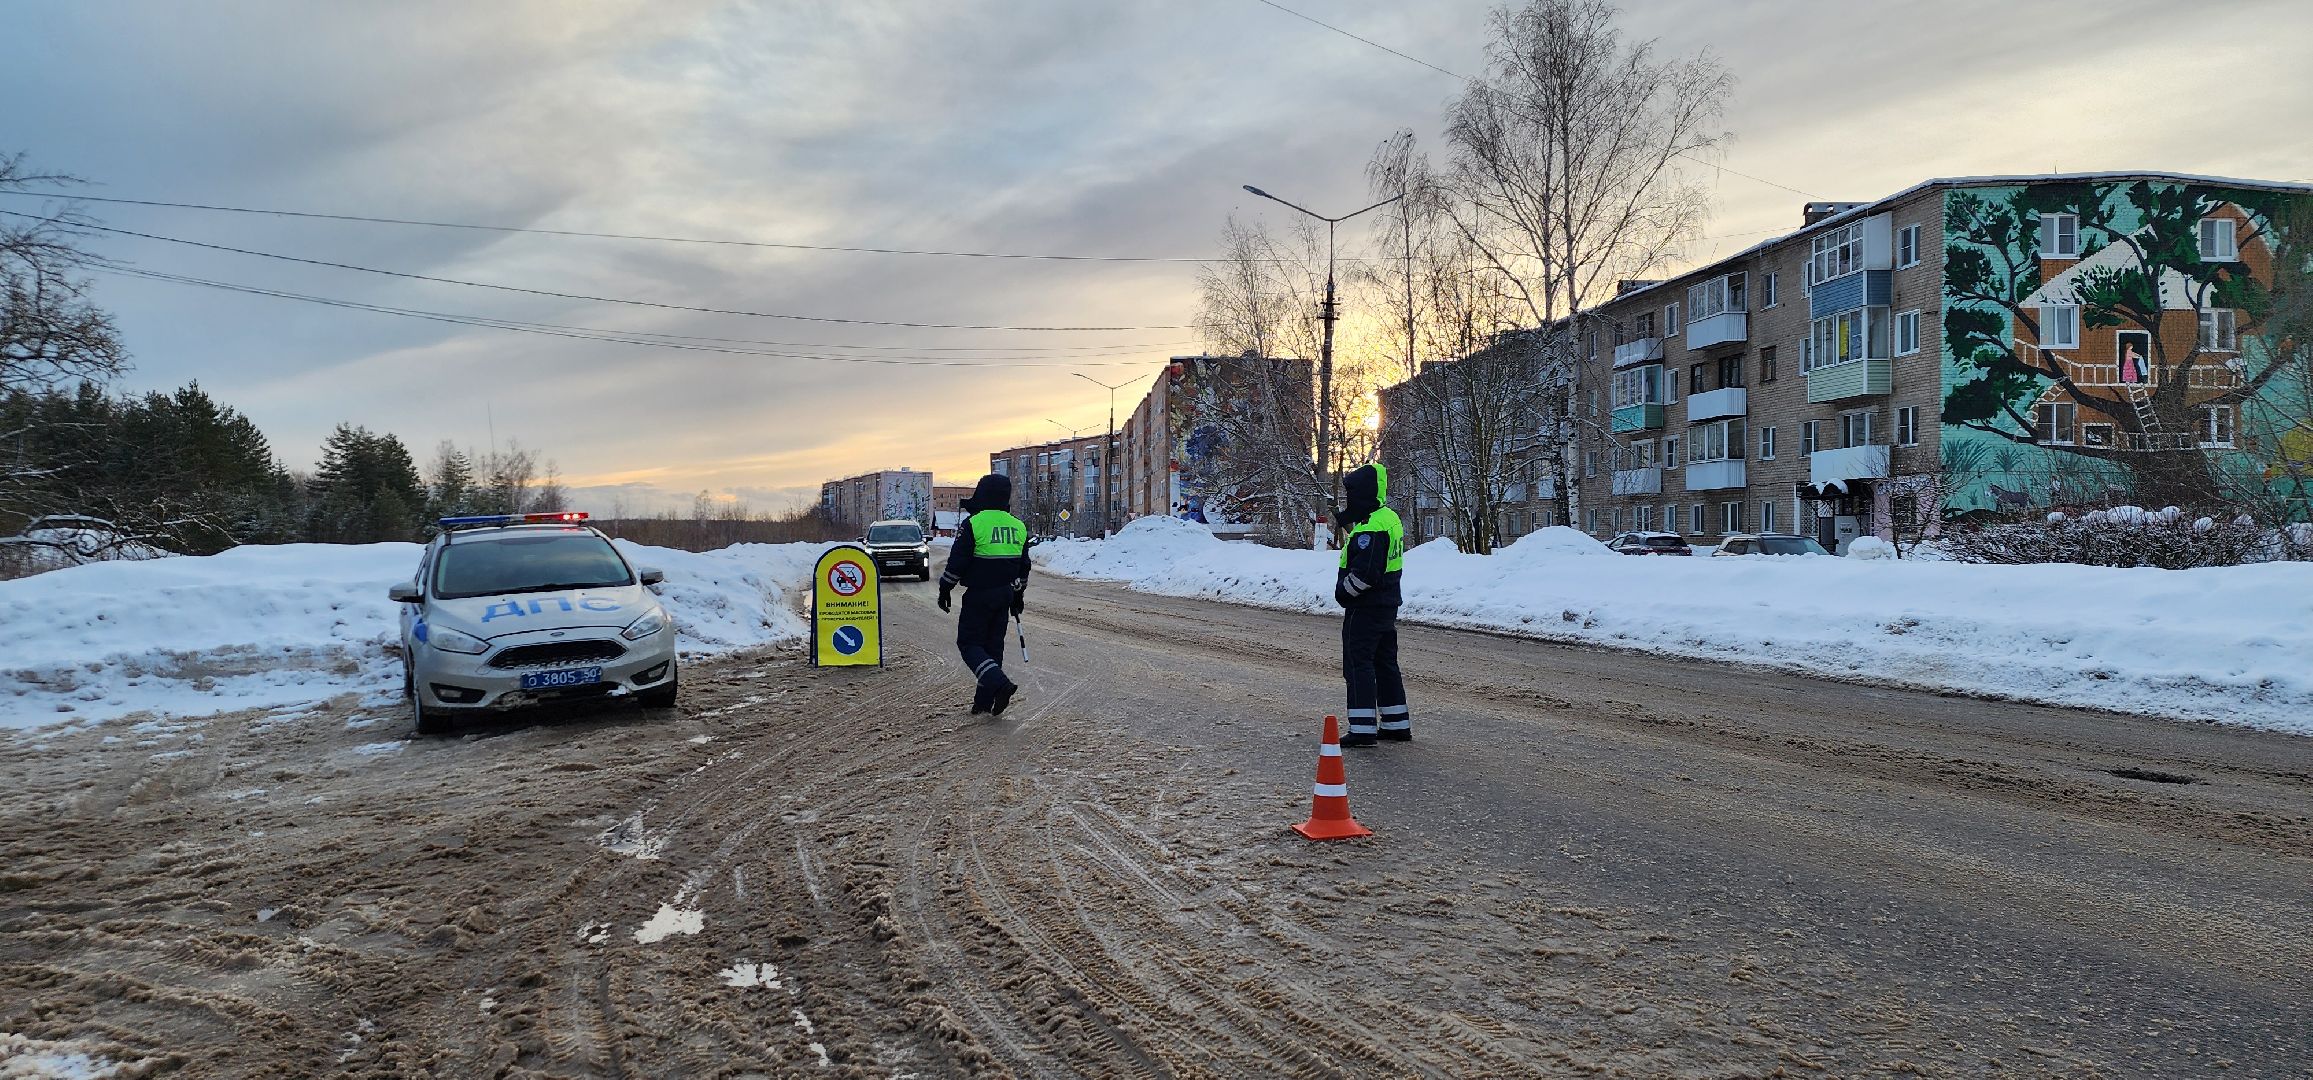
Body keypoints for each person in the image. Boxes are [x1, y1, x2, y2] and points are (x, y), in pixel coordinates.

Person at [939, 473, 1029, 715]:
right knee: (992, 648)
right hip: (1005, 596)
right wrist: (1018, 596)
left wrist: (945, 588)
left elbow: (957, 562)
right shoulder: (1017, 525)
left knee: (969, 643)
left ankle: (1000, 685)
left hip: (979, 595)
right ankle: (983, 702)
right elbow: (1024, 567)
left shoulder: (974, 523)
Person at [1333, 462, 1408, 746]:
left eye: (1351, 493)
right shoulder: (1388, 517)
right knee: (1384, 663)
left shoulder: (1373, 525)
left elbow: (1366, 573)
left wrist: (1343, 593)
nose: (1348, 499)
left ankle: (1362, 729)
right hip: (1386, 605)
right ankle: (1396, 723)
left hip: (1366, 607)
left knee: (1358, 665)